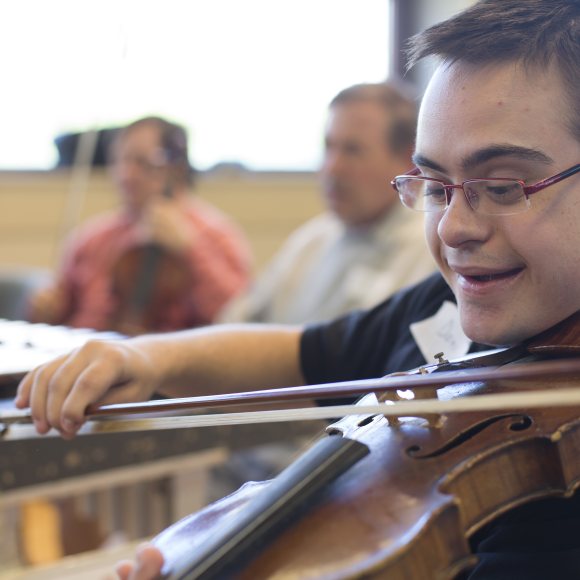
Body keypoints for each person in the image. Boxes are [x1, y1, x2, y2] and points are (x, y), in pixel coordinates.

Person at [15, 0, 580, 577]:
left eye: (505, 186)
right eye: (435, 185)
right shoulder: (443, 305)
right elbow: (303, 351)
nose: (454, 228)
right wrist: (143, 356)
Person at [219, 81, 435, 324]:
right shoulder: (312, 240)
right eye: (329, 147)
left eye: (353, 150)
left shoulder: (431, 252)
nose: (332, 169)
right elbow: (235, 323)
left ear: (408, 160)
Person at [27, 116, 252, 334]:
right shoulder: (92, 237)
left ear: (177, 168)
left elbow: (237, 318)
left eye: (143, 163)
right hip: (82, 355)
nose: (127, 174)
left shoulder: (216, 234)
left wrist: (190, 250)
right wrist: (49, 309)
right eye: (121, 161)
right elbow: (61, 312)